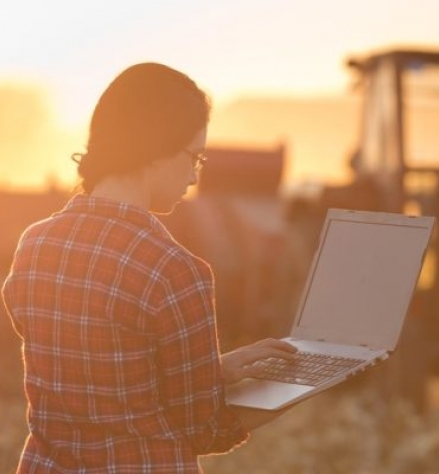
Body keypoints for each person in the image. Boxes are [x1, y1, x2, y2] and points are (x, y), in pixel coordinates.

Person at [2, 63, 298, 473]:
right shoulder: (174, 271)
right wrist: (295, 388)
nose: (195, 176)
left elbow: (102, 376)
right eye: (195, 156)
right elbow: (206, 432)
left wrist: (214, 371)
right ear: (158, 149)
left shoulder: (34, 245)